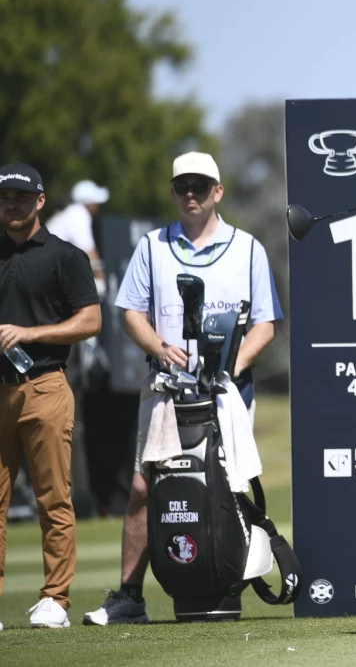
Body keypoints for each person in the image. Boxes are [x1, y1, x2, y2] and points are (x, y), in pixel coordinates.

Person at [82, 152, 283, 626]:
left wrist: (232, 364)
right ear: (173, 193)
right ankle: (130, 596)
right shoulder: (152, 246)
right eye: (182, 186)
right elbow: (130, 311)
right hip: (166, 388)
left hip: (227, 392)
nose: (190, 193)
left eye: (200, 185)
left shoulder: (248, 247)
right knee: (143, 485)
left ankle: (221, 582)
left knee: (226, 485)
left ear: (218, 191)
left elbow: (265, 323)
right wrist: (159, 344)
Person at [0, 163, 102, 629]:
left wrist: (30, 333)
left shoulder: (65, 256)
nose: (12, 204)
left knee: (52, 498)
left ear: (40, 201)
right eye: (6, 198)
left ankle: (55, 600)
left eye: (22, 197)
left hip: (44, 385)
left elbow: (90, 321)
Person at [46, 178, 111, 522]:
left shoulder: (62, 218)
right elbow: (90, 255)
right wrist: (100, 286)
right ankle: (77, 496)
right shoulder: (78, 215)